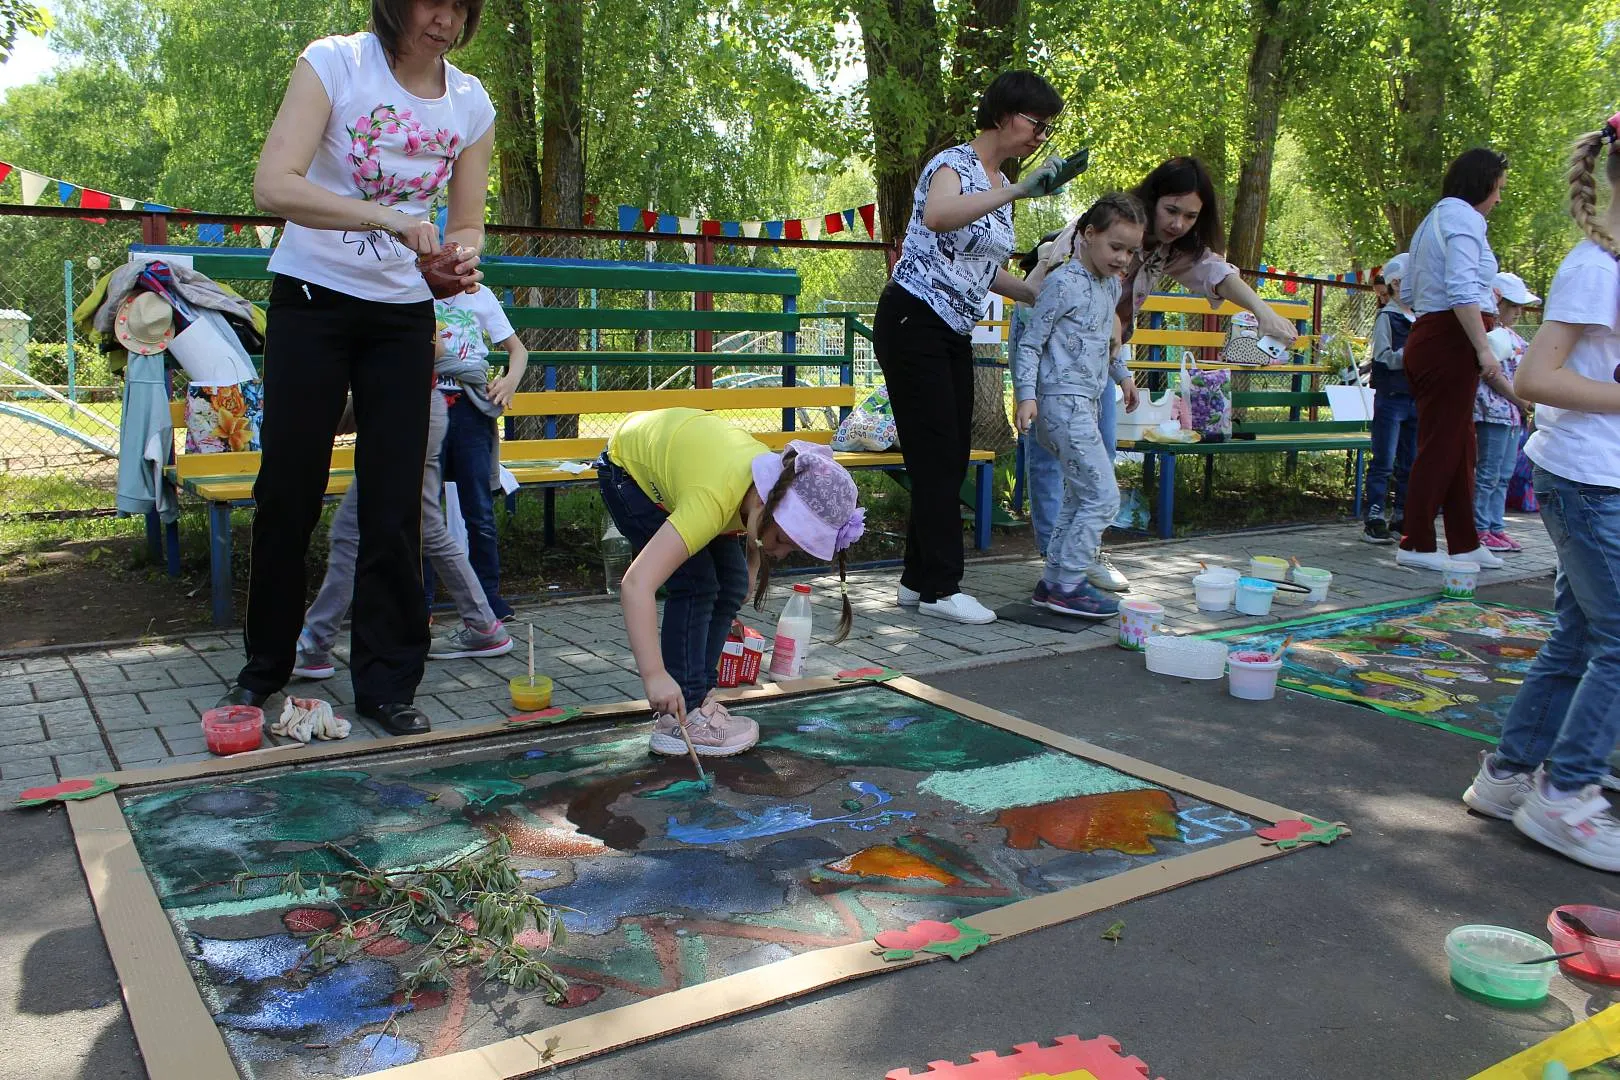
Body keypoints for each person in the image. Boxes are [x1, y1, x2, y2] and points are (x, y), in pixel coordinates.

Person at [216, 0, 495, 736]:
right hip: (311, 300)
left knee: (396, 504)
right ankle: (264, 668)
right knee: (288, 490)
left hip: (403, 316)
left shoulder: (472, 103)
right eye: (431, 1)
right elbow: (274, 184)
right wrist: (390, 219)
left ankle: (387, 682)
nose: (445, 19)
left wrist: (456, 259)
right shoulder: (334, 63)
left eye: (460, 6)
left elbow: (467, 220)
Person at [1461, 114, 1620, 871]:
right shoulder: (1596, 267)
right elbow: (1534, 378)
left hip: (1596, 477)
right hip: (1588, 482)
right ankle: (1566, 796)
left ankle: (1509, 776)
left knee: (1581, 638)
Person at [877, 69, 1070, 626]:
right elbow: (938, 217)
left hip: (951, 329)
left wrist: (1035, 284)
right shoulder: (954, 165)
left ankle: (917, 580)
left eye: (1047, 129)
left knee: (947, 451)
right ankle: (942, 588)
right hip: (914, 319)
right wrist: (1017, 190)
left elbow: (980, 268)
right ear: (1005, 115)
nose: (1040, 137)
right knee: (937, 453)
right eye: (1036, 124)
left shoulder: (998, 184)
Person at [597, 409, 865, 756]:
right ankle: (679, 718)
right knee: (696, 582)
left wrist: (751, 567)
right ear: (764, 503)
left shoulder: (764, 489)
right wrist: (654, 676)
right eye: (782, 540)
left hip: (690, 467)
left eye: (792, 548)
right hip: (629, 474)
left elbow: (756, 525)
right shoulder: (713, 499)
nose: (780, 553)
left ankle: (699, 697)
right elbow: (636, 585)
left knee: (732, 583)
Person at [294, 337, 512, 682]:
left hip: (408, 410)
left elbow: (432, 348)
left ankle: (314, 644)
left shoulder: (398, 309)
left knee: (352, 530)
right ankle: (484, 626)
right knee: (426, 528)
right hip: (402, 405)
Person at [1012, 194, 1146, 617]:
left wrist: (1122, 376)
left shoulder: (1110, 286)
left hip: (1085, 404)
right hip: (1059, 404)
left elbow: (1105, 343)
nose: (1123, 259)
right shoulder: (1062, 283)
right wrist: (1026, 395)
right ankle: (1069, 583)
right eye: (1116, 247)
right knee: (1104, 498)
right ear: (1088, 235)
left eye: (1130, 252)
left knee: (1078, 494)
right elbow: (1031, 344)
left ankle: (1053, 580)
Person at [1395, 147, 1510, 573]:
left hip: (1434, 335)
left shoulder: (1432, 220)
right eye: (1497, 189)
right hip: (1451, 340)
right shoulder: (1465, 219)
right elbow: (1461, 289)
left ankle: (1465, 541)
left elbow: (1408, 291)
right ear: (1482, 185)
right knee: (1442, 444)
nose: (1498, 198)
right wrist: (1482, 347)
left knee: (1461, 444)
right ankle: (1415, 541)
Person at [1114, 157, 1300, 357]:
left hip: (1109, 348)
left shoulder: (1171, 250)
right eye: (1171, 210)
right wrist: (1110, 319)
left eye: (1190, 216)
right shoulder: (1110, 228)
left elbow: (1216, 272)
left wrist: (1264, 313)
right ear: (1152, 200)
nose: (1178, 224)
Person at [432, 282, 528, 622]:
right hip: (425, 406)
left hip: (470, 410)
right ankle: (419, 602)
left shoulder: (479, 295)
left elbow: (519, 351)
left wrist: (510, 380)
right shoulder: (413, 288)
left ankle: (487, 598)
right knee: (423, 510)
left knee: (479, 509)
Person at [1473, 272, 1539, 553]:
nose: (1518, 312)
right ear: (1497, 301)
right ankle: (1479, 529)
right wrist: (1521, 400)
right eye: (1512, 306)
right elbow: (1492, 374)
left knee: (1504, 474)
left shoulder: (1514, 337)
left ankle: (1496, 527)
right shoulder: (1485, 334)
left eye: (1519, 306)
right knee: (1488, 473)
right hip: (1493, 413)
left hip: (1514, 416)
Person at [1362, 254, 1418, 544]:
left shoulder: (1421, 318)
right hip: (1392, 397)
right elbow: (1382, 356)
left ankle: (1401, 515)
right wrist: (1412, 354)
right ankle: (1374, 517)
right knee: (1384, 459)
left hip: (1415, 397)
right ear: (1397, 284)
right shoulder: (1388, 317)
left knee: (1410, 461)